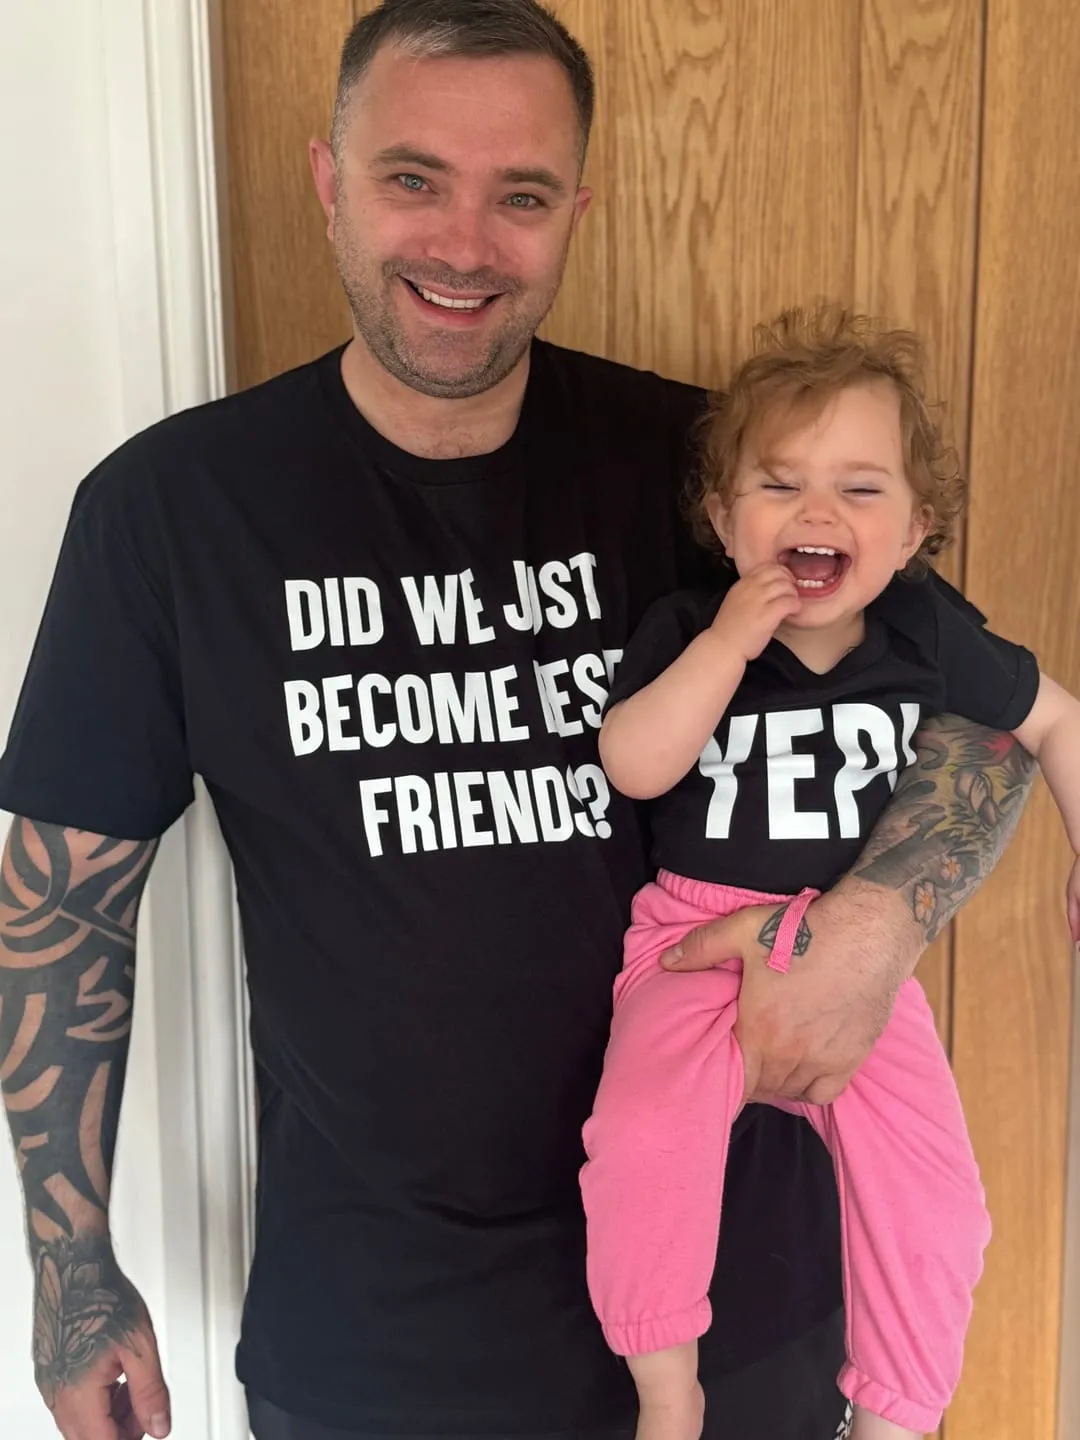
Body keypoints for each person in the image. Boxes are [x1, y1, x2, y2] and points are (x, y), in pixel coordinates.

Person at [0, 5, 1035, 1440]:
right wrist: (70, 1275)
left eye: (522, 194)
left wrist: (879, 927)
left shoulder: (722, 477)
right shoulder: (170, 514)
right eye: (412, 179)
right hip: (378, 1347)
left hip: (743, 1315)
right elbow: (62, 905)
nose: (464, 245)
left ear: (575, 212)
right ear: (329, 178)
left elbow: (978, 713)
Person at [581, 306, 1080, 1440]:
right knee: (641, 1144)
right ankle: (668, 1392)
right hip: (692, 938)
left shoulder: (923, 630)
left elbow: (1056, 720)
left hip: (861, 958)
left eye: (861, 490)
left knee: (938, 1200)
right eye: (780, 485)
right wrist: (724, 648)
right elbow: (634, 763)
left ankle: (900, 1413)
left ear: (913, 532)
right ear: (722, 518)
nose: (817, 513)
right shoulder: (688, 626)